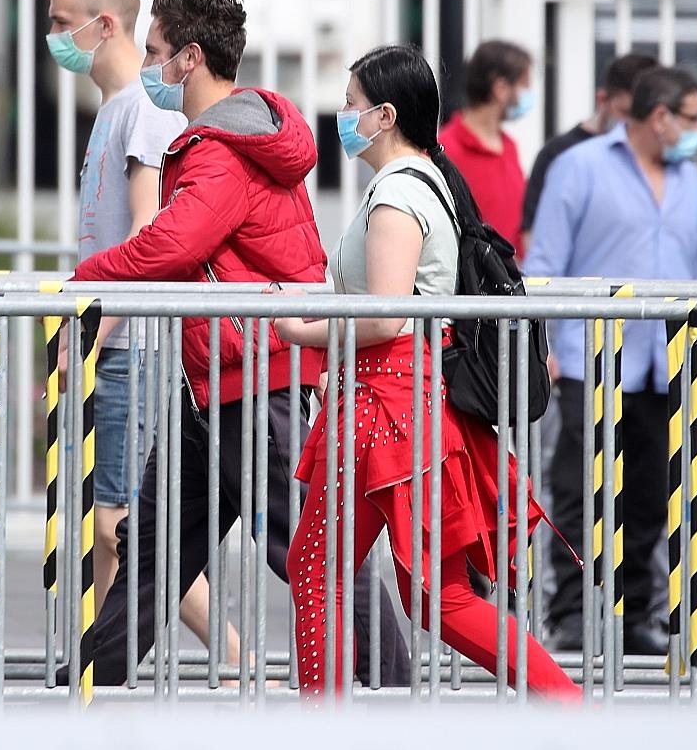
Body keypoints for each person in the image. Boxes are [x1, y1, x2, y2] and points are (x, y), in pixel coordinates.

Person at [69, 0, 411, 688]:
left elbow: (169, 245)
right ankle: (90, 691)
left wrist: (84, 281)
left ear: (191, 58)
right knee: (156, 554)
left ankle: (392, 694)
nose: (149, 67)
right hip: (219, 386)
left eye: (158, 52)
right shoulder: (233, 136)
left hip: (254, 386)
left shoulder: (219, 148)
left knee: (314, 551)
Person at [273, 44, 579, 699]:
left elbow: (385, 318)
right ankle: (572, 707)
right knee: (435, 595)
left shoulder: (397, 195)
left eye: (351, 104)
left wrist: (299, 328)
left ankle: (317, 727)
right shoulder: (422, 184)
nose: (341, 115)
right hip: (403, 402)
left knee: (320, 572)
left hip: (381, 404)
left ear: (385, 115)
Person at [35, 0, 242, 658]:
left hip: (128, 344)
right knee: (117, 523)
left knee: (116, 523)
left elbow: (150, 237)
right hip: (113, 339)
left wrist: (93, 331)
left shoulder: (144, 116)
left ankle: (125, 667)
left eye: (62, 22)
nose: (52, 35)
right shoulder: (117, 112)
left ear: (104, 23)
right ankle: (100, 663)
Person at [525, 65, 697, 654]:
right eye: (693, 116)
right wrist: (545, 347)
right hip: (587, 358)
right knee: (576, 489)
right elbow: (544, 263)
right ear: (661, 116)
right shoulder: (582, 166)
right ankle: (569, 615)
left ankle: (636, 616)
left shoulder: (687, 180)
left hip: (663, 361)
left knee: (650, 491)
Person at [519, 52, 657, 249]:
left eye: (641, 117)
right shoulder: (559, 154)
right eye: (625, 113)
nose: (633, 126)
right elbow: (534, 237)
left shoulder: (657, 158)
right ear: (602, 100)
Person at [438, 40, 534, 249]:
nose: (529, 95)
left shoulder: (509, 147)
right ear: (500, 89)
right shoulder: (445, 149)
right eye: (524, 85)